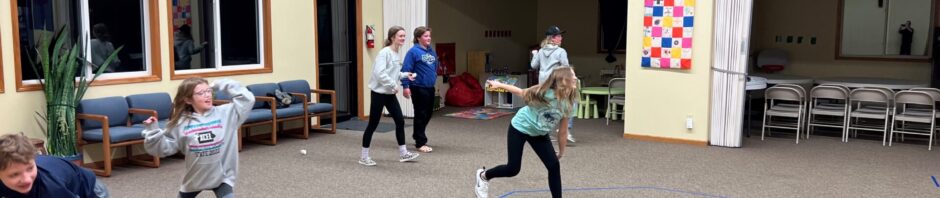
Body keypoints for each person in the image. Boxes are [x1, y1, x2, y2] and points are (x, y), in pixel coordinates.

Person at [474, 66, 579, 198]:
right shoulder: (544, 93)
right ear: (563, 80)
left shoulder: (569, 102)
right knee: (513, 169)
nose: (575, 78)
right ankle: (483, 176)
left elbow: (563, 131)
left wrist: (561, 151)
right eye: (572, 75)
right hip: (520, 127)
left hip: (539, 133)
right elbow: (521, 92)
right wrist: (498, 84)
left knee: (554, 166)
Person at [141, 78, 254, 198]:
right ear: (188, 99)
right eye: (201, 93)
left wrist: (221, 84)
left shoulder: (227, 114)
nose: (207, 96)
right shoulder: (181, 123)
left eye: (209, 91)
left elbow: (248, 99)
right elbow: (161, 149)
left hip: (222, 177)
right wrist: (152, 130)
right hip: (196, 177)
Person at [359, 26, 420, 166]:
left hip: (389, 94)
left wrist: (405, 75)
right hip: (379, 94)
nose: (403, 38)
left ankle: (403, 153)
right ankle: (364, 156)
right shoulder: (384, 53)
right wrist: (393, 85)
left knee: (400, 121)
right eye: (400, 36)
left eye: (404, 36)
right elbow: (379, 74)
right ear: (392, 37)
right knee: (372, 124)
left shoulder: (396, 53)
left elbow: (394, 73)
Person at [0, 134, 109, 197]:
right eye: (14, 175)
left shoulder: (52, 189)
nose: (27, 179)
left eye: (30, 168)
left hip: (87, 187)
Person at [531, 25, 576, 143]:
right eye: (558, 36)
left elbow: (533, 66)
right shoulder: (561, 51)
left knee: (547, 105)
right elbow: (565, 67)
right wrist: (572, 78)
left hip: (543, 84)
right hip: (556, 83)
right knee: (570, 102)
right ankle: (565, 130)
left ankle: (545, 131)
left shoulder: (540, 51)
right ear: (552, 38)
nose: (561, 38)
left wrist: (535, 54)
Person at [401, 26, 439, 153]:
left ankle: (418, 134)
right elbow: (406, 70)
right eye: (425, 36)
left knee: (428, 114)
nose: (429, 38)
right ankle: (420, 142)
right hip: (418, 87)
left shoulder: (431, 51)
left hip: (429, 87)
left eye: (429, 36)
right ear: (418, 38)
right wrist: (405, 86)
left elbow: (435, 66)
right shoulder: (413, 52)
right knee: (421, 114)